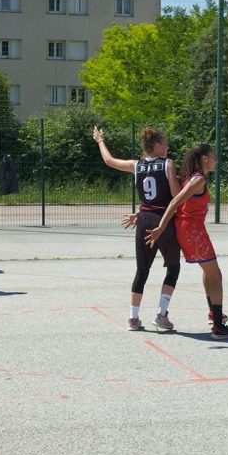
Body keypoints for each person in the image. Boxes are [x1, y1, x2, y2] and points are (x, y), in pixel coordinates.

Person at [93, 125, 181, 331]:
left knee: (142, 270)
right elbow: (176, 196)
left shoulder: (136, 165)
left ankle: (133, 318)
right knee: (173, 267)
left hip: (143, 219)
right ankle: (161, 314)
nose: (167, 146)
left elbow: (109, 161)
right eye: (165, 143)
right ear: (157, 145)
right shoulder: (167, 164)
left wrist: (100, 141)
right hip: (163, 219)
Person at [145, 143, 228, 337]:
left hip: (190, 228)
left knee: (208, 270)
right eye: (213, 157)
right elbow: (174, 202)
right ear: (204, 158)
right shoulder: (197, 180)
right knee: (216, 275)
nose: (215, 160)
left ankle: (214, 314)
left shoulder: (190, 177)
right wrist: (160, 227)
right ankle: (218, 327)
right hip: (192, 230)